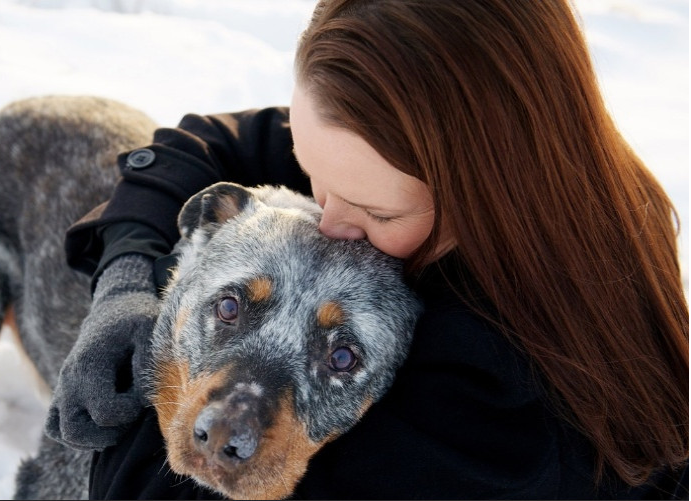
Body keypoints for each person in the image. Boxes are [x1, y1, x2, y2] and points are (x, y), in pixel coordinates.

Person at [47, 0, 689, 498]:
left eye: (378, 212)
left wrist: (163, 344)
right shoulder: (413, 155)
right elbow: (200, 146)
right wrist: (126, 278)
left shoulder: (501, 404)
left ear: (488, 188)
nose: (328, 221)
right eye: (310, 173)